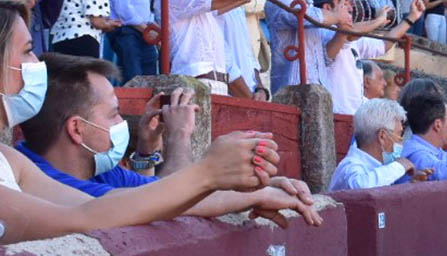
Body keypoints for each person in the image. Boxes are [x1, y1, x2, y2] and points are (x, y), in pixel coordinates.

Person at [0, 0, 302, 245]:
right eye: (27, 51)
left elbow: (145, 197)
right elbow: (86, 217)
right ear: (77, 129)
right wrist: (207, 169)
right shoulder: (26, 163)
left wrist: (253, 191)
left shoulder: (11, 159)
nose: (36, 65)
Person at [16, 52, 319, 228]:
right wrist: (181, 136)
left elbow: (168, 194)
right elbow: (158, 198)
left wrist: (263, 188)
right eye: (114, 114)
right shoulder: (39, 176)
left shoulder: (96, 167)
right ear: (76, 129)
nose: (124, 124)